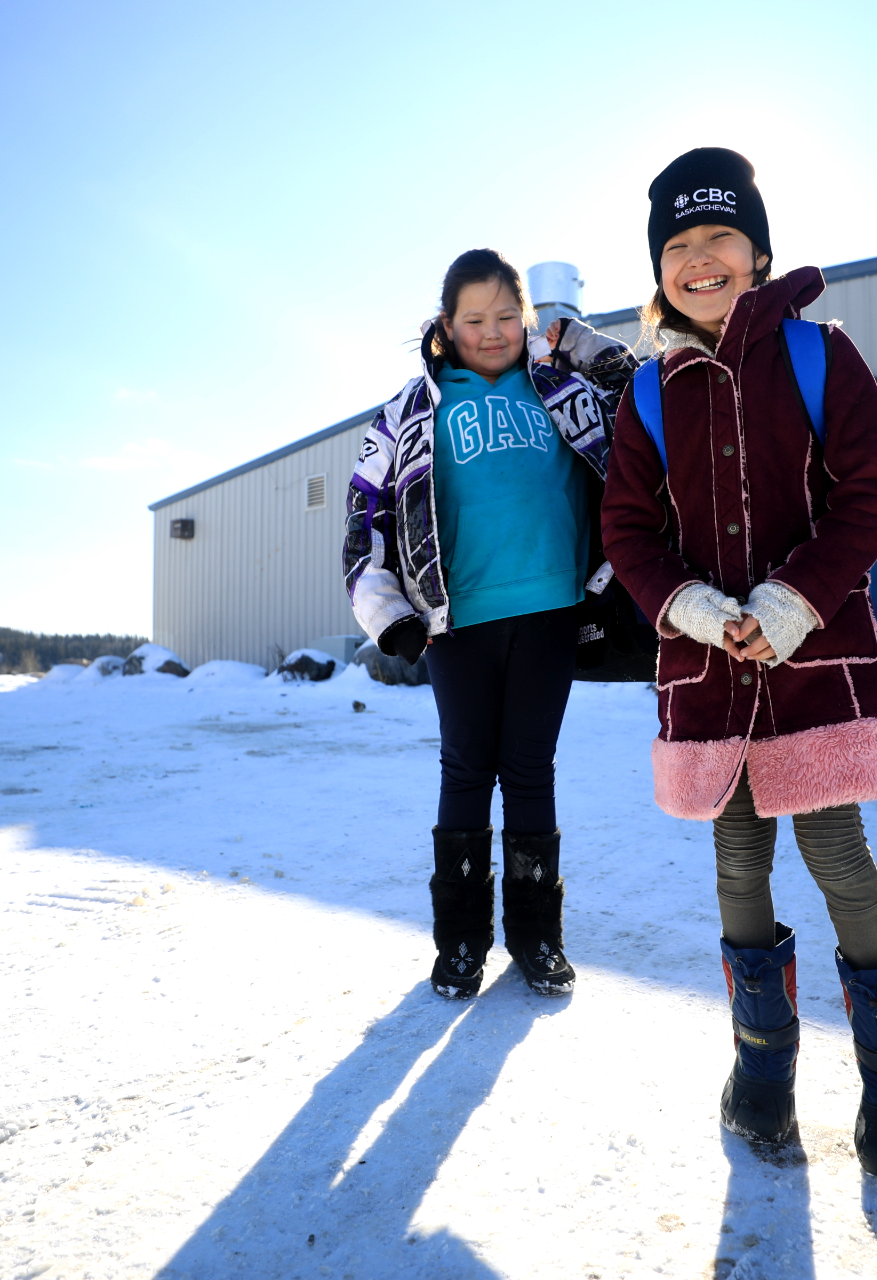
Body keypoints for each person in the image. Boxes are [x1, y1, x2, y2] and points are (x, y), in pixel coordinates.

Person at [600, 149, 877, 1177]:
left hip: (814, 661)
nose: (699, 259)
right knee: (737, 860)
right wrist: (694, 609)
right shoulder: (650, 395)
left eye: (719, 238)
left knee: (838, 856)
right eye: (677, 245)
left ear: (758, 250)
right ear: (658, 269)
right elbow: (626, 530)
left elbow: (871, 491)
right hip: (711, 677)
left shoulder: (817, 354)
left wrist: (792, 602)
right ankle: (762, 1067)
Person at [344, 248, 636, 999]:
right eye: (474, 319)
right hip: (456, 622)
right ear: (447, 324)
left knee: (531, 770)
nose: (493, 331)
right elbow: (363, 515)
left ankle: (538, 937)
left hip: (550, 611)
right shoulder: (415, 408)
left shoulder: (562, 387)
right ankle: (462, 942)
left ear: (530, 320)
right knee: (468, 770)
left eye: (509, 317)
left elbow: (636, 393)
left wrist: (571, 339)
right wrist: (389, 616)